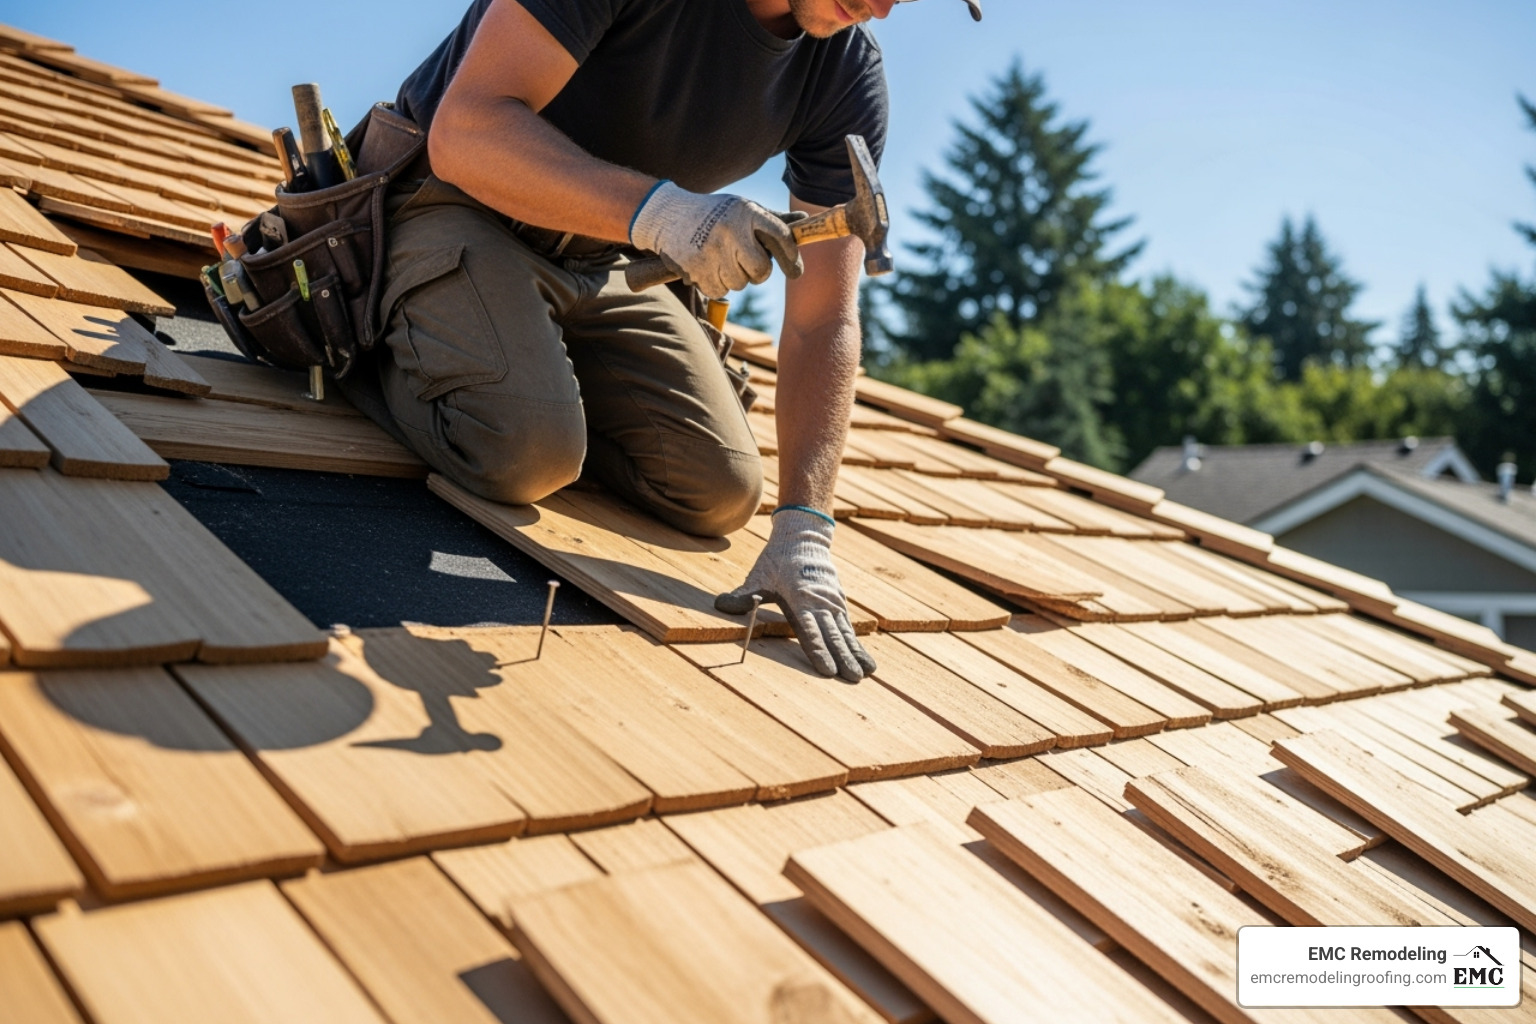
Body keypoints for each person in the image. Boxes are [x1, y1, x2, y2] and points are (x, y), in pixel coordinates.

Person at [379, 0, 981, 681]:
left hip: (603, 258)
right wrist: (666, 214)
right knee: (523, 450)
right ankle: (376, 339)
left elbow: (824, 318)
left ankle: (519, 374)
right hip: (455, 205)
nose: (884, 7)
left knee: (718, 488)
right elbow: (466, 130)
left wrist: (806, 527)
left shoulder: (845, 70)